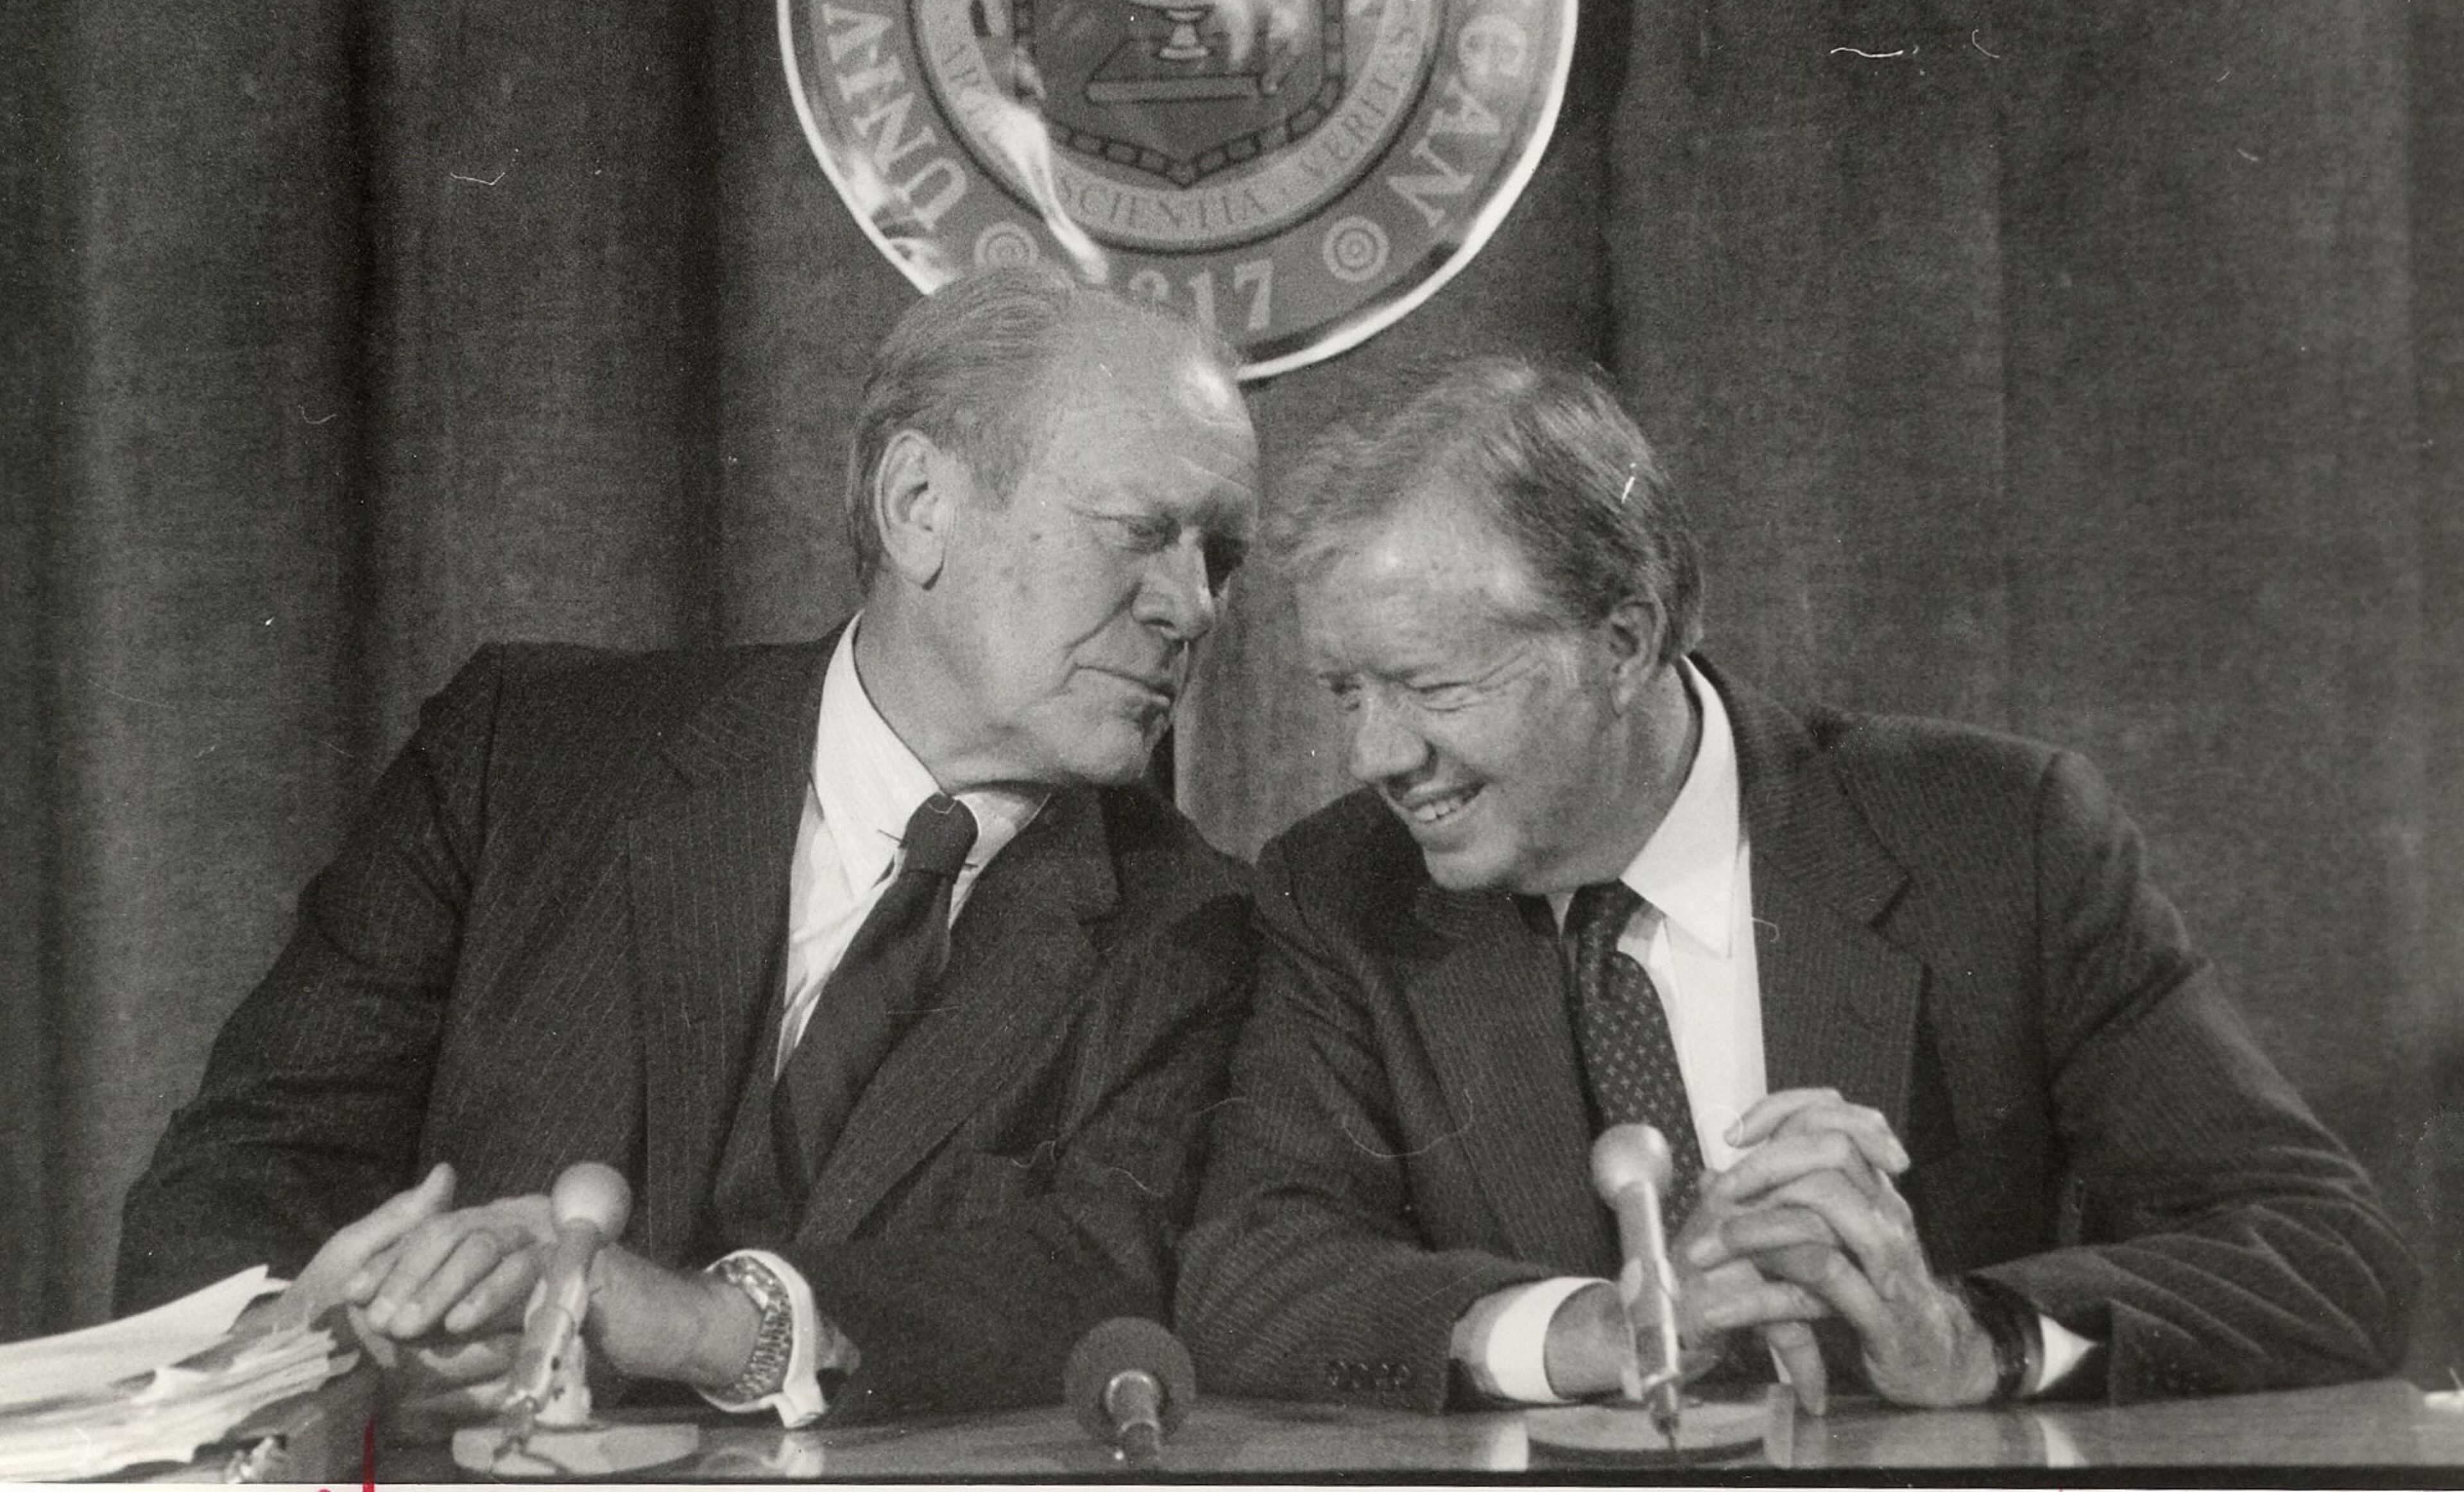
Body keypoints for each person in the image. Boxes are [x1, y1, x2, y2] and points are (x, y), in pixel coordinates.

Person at [115, 264, 1262, 1429]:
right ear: (919, 505)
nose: (1194, 605)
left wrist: (713, 1322)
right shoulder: (527, 752)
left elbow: (1097, 1272)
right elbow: (242, 1167)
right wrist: (304, 1353)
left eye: (1221, 556)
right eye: (1141, 532)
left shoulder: (1196, 927)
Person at [1177, 356, 2414, 1414]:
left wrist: (1973, 1336)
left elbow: (2322, 1253)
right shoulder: (1338, 891)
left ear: (1624, 641)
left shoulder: (1998, 836)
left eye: (1433, 689)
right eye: (1348, 692)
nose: (1376, 756)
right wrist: (1602, 1327)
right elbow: (1251, 1275)